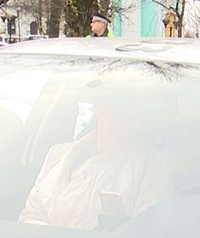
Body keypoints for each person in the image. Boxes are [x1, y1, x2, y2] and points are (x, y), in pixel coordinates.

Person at [19, 96, 172, 229]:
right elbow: (28, 218)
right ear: (98, 109)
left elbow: (143, 234)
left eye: (136, 111)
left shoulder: (152, 164)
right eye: (121, 109)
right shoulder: (57, 154)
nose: (129, 119)